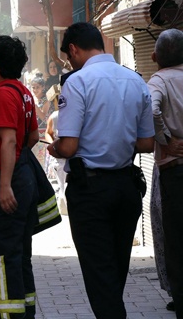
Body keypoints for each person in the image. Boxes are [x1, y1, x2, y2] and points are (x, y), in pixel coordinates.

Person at [47, 22, 154, 319]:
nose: (71, 63)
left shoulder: (78, 82)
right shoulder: (135, 80)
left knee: (100, 275)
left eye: (69, 58)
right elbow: (147, 143)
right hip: (126, 188)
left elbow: (68, 147)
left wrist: (54, 148)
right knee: (115, 271)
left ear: (73, 49)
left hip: (90, 191)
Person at [0, 35, 40, 318]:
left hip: (3, 181)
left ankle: (6, 316)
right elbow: (33, 137)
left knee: (1, 256)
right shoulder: (23, 92)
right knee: (19, 253)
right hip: (21, 177)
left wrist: (4, 185)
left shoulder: (2, 94)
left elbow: (10, 141)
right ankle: (24, 313)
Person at [149, 28, 183, 317]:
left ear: (155, 56)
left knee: (176, 239)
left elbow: (150, 108)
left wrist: (166, 140)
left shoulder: (159, 80)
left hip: (175, 172)